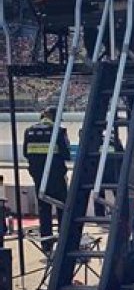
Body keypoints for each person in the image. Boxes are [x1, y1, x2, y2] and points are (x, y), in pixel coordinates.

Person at [23, 107, 71, 255]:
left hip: (39, 177)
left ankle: (46, 245)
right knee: (62, 207)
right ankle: (64, 243)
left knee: (44, 209)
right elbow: (66, 154)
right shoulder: (59, 131)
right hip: (56, 176)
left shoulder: (29, 131)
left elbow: (25, 153)